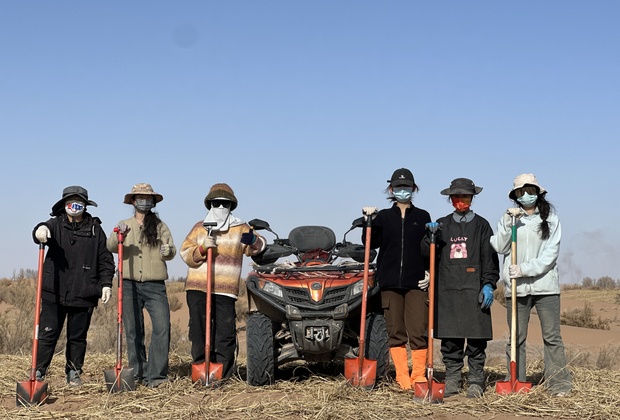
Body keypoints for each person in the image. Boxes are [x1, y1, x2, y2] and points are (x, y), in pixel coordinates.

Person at [490, 173, 572, 397]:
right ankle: (516, 380)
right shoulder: (509, 218)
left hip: (545, 287)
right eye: (520, 192)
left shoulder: (551, 219)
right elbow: (498, 245)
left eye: (530, 190)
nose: (525, 195)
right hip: (516, 289)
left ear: (538, 192)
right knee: (516, 338)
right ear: (515, 196)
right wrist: (509, 224)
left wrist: (524, 269)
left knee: (552, 337)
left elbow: (550, 255)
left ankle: (558, 383)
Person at [180, 183, 266, 380]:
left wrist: (252, 240)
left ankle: (223, 374)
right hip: (198, 287)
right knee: (199, 331)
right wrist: (201, 249)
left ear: (231, 206)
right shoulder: (200, 227)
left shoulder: (240, 227)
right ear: (210, 204)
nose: (220, 208)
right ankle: (201, 370)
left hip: (225, 289)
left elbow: (259, 246)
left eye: (224, 204)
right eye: (216, 203)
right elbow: (185, 253)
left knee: (224, 332)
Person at [32, 185, 115, 386]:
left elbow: (105, 258)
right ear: (64, 204)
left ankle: (73, 372)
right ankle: (39, 371)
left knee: (77, 337)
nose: (74, 205)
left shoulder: (95, 229)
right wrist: (39, 231)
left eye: (79, 201)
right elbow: (41, 230)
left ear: (85, 205)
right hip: (54, 290)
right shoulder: (55, 224)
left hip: (84, 292)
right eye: (71, 201)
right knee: (48, 333)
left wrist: (106, 283)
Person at [425, 178, 499, 398]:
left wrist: (488, 283)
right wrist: (429, 237)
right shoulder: (441, 224)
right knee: (450, 341)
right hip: (447, 291)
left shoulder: (482, 225)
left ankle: (476, 380)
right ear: (450, 199)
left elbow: (490, 258)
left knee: (477, 341)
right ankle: (452, 379)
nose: (461, 201)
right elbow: (425, 253)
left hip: (474, 289)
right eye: (456, 197)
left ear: (472, 198)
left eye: (465, 196)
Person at [362, 168, 431, 390]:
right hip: (390, 283)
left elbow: (428, 249)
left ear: (414, 188)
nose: (403, 191)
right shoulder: (383, 217)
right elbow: (370, 243)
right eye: (399, 187)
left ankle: (418, 375)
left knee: (418, 330)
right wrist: (368, 221)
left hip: (416, 284)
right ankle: (402, 376)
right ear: (391, 189)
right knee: (395, 331)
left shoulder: (423, 217)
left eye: (407, 187)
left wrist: (429, 272)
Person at [107, 183, 176, 388]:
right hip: (128, 284)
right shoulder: (123, 223)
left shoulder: (161, 226)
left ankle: (157, 376)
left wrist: (167, 251)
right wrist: (119, 234)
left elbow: (171, 251)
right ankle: (138, 373)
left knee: (162, 327)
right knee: (133, 330)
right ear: (133, 201)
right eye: (140, 198)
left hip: (155, 284)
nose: (144, 201)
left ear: (153, 202)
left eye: (148, 198)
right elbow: (111, 247)